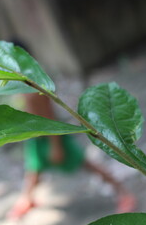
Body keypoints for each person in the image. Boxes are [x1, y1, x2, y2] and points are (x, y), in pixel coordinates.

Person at [7, 93, 137, 220]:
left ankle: (123, 193)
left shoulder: (34, 91)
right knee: (34, 168)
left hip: (52, 137)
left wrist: (56, 145)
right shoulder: (22, 88)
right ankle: (27, 199)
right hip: (36, 138)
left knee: (85, 163)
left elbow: (50, 119)